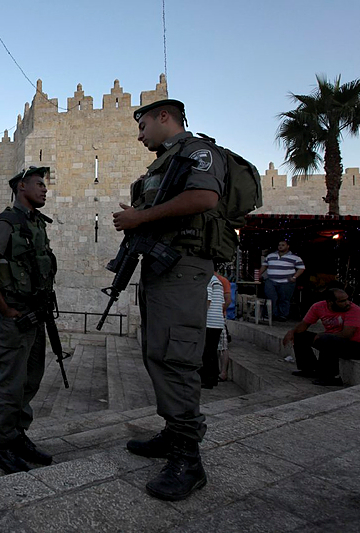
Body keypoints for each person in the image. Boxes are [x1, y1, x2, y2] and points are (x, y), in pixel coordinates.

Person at [113, 99, 225, 501]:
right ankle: (172, 432)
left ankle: (188, 458)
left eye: (142, 125)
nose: (139, 134)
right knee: (158, 352)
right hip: (164, 270)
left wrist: (140, 218)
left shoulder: (197, 152)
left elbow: (204, 199)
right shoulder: (164, 163)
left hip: (183, 269)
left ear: (165, 117)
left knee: (175, 355)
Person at [0, 166, 57, 474]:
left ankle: (18, 436)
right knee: (11, 383)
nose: (44, 189)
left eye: (44, 185)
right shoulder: (7, 223)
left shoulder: (35, 223)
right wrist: (5, 309)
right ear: (21, 186)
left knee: (31, 379)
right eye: (39, 184)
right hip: (17, 317)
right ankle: (3, 446)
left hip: (37, 314)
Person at [283, 288, 360, 386]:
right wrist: (292, 332)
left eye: (347, 299)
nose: (347, 303)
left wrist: (322, 335)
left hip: (357, 347)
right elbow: (303, 325)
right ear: (330, 302)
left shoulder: (354, 310)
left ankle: (332, 377)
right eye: (342, 301)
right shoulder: (318, 307)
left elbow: (346, 334)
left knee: (326, 339)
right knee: (300, 335)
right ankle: (309, 369)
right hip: (331, 340)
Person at [260, 241, 305, 321]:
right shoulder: (271, 256)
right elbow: (264, 266)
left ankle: (282, 315)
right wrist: (258, 275)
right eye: (279, 245)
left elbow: (301, 268)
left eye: (283, 245)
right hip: (271, 280)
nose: (280, 246)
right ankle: (271, 314)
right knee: (271, 297)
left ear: (288, 246)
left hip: (286, 282)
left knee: (284, 299)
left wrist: (294, 277)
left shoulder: (294, 257)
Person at [200, 273, 225, 389]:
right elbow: (223, 303)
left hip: (209, 321)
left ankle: (207, 379)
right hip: (218, 321)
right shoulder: (218, 282)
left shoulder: (208, 280)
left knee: (207, 352)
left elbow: (207, 301)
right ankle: (213, 377)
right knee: (212, 351)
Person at [215, 272, 232, 381]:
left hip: (219, 318)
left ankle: (223, 372)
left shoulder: (222, 281)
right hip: (210, 318)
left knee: (223, 346)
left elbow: (228, 300)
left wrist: (219, 312)